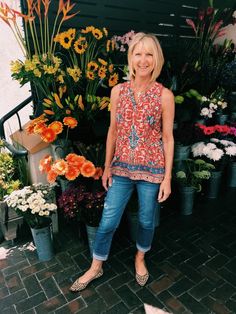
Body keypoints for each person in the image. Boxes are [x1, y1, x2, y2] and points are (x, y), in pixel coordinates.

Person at [70, 32, 175, 291]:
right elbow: (113, 131)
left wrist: (168, 178)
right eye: (138, 53)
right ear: (130, 57)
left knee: (147, 220)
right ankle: (96, 265)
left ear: (156, 59)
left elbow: (168, 138)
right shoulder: (118, 91)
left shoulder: (164, 95)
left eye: (149, 53)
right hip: (121, 168)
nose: (143, 60)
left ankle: (140, 258)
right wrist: (106, 167)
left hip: (152, 170)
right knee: (108, 220)